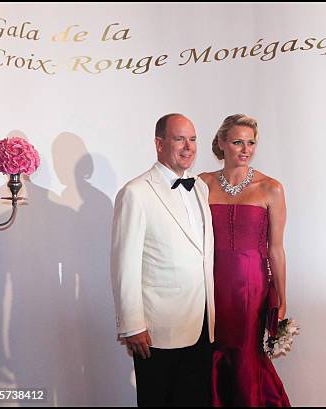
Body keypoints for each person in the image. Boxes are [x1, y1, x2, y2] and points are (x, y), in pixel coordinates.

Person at [110, 113, 215, 406]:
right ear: (159, 144)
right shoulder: (136, 192)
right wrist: (132, 324)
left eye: (193, 139)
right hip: (158, 330)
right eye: (179, 139)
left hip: (201, 322)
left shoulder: (201, 188)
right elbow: (124, 264)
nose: (188, 147)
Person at [200, 114, 290, 407]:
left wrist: (282, 297)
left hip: (251, 289)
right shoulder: (203, 184)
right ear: (222, 143)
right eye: (238, 142)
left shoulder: (271, 188)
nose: (245, 149)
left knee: (245, 356)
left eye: (251, 143)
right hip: (209, 285)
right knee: (212, 353)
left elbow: (276, 249)